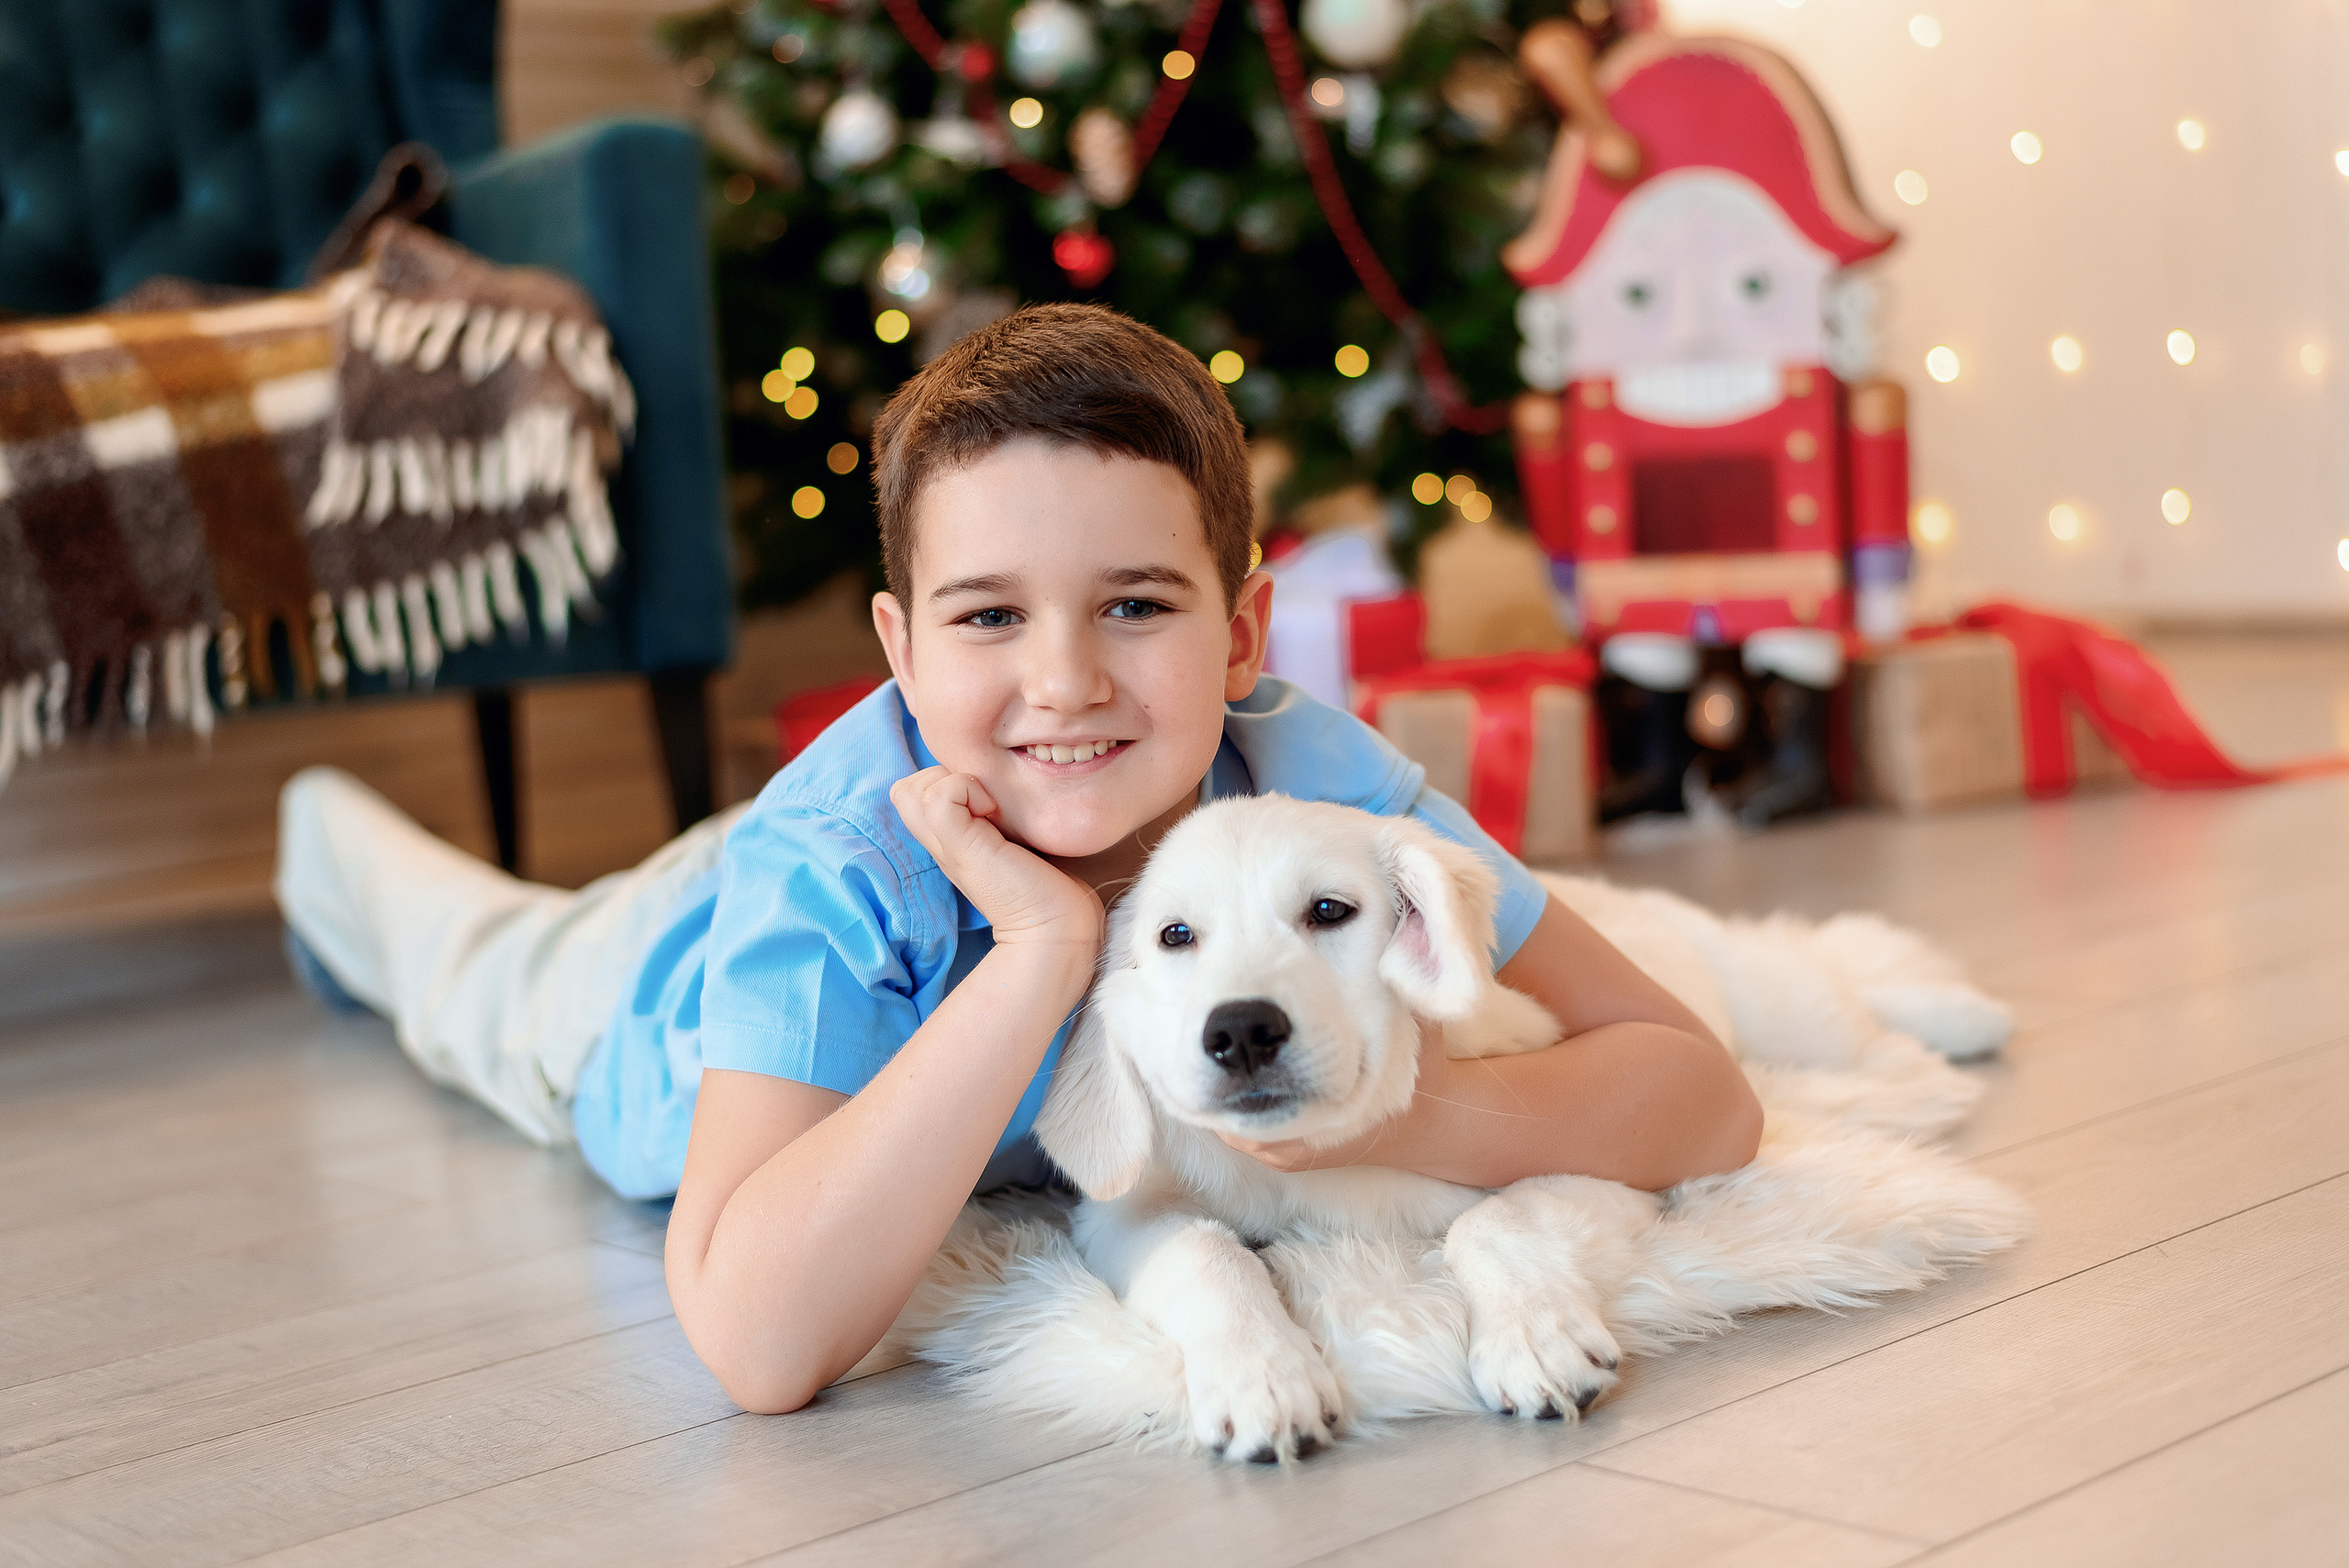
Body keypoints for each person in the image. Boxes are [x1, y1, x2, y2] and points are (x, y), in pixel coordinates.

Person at [275, 304, 1761, 1418]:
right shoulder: (836, 868)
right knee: (464, 957)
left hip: (906, 809)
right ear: (900, 650)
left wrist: (1374, 1117)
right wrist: (1045, 951)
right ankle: (326, 833)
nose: (1064, 681)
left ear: (1241, 634)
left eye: (1134, 606)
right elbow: (758, 1343)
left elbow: (1701, 1094)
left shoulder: (1315, 791)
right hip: (630, 990)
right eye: (988, 616)